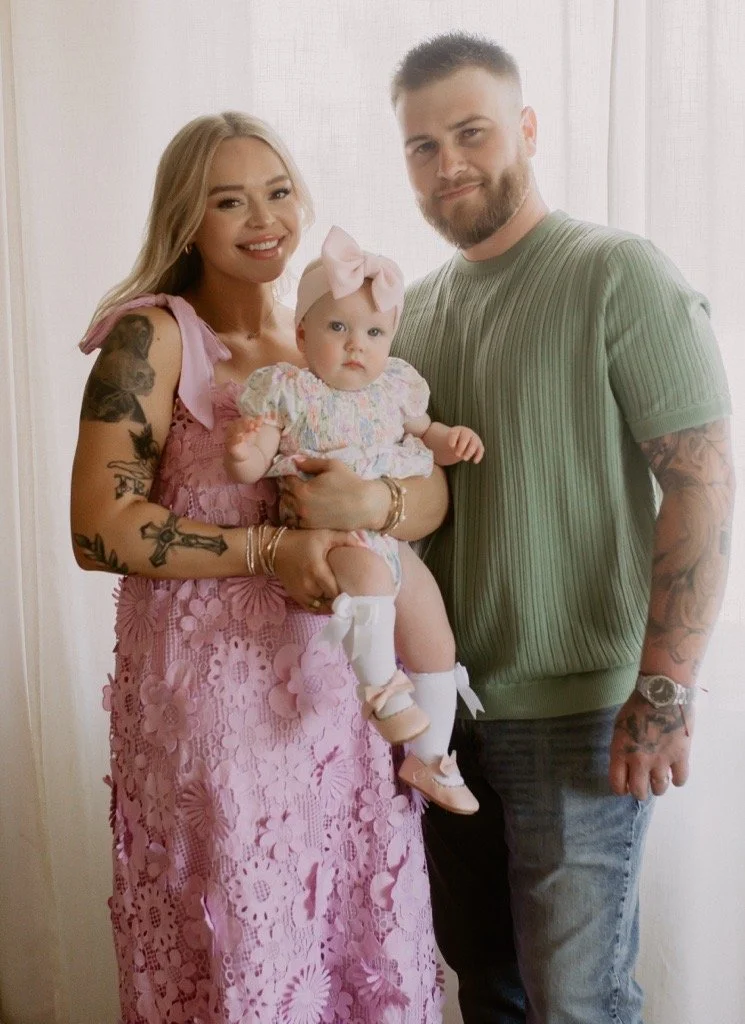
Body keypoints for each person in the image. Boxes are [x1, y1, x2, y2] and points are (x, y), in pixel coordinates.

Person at [376, 32, 732, 1024]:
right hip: (447, 717)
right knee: (484, 990)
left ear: (525, 129)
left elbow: (700, 487)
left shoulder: (619, 274)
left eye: (472, 131)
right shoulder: (402, 320)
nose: (448, 162)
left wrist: (664, 685)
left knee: (576, 1003)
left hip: (579, 716)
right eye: (420, 145)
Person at [70, 111, 446, 1024]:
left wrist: (378, 507)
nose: (261, 217)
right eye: (227, 199)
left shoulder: (329, 337)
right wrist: (268, 550)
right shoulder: (153, 340)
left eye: (277, 192)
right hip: (215, 710)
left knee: (354, 930)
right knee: (250, 942)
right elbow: (98, 528)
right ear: (185, 220)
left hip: (345, 698)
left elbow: (421, 489)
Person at [225, 224, 485, 815]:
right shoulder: (289, 388)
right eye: (337, 328)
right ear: (302, 332)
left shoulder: (395, 386)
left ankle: (431, 757)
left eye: (373, 332)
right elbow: (260, 452)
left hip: (391, 538)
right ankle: (383, 692)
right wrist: (246, 453)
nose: (355, 345)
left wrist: (454, 441)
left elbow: (427, 437)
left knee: (433, 631)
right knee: (368, 583)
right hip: (334, 537)